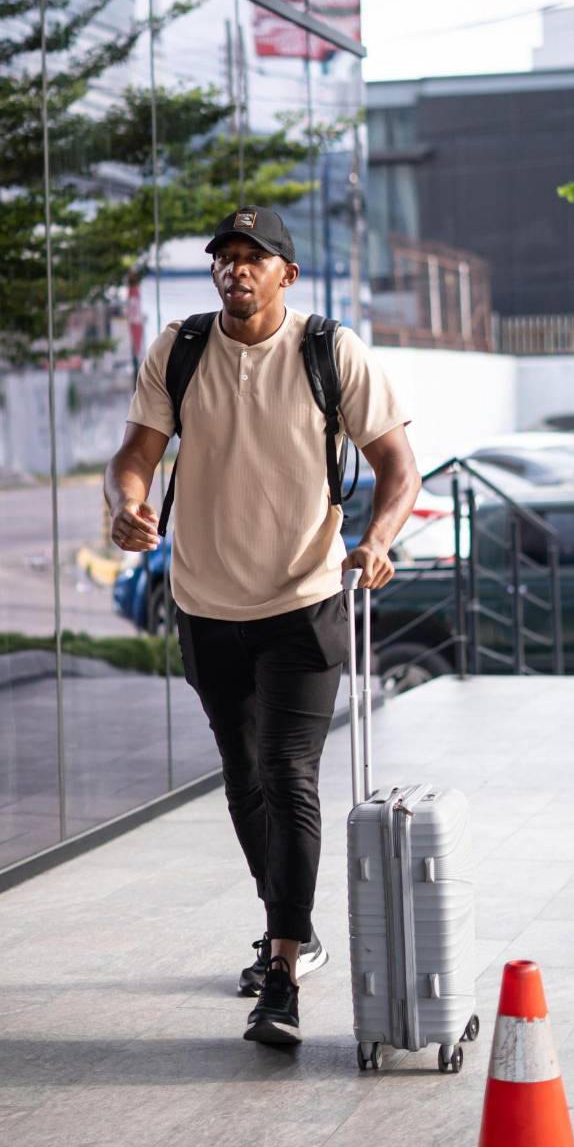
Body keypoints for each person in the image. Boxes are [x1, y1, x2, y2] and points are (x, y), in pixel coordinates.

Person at [104, 205, 419, 1046]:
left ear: (287, 274)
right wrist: (128, 505)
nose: (237, 270)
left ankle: (280, 972)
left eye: (256, 258)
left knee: (287, 773)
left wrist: (377, 541)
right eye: (226, 257)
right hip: (206, 604)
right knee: (243, 776)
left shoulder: (330, 351)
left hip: (304, 599)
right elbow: (136, 454)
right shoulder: (182, 349)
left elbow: (397, 463)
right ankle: (295, 924)